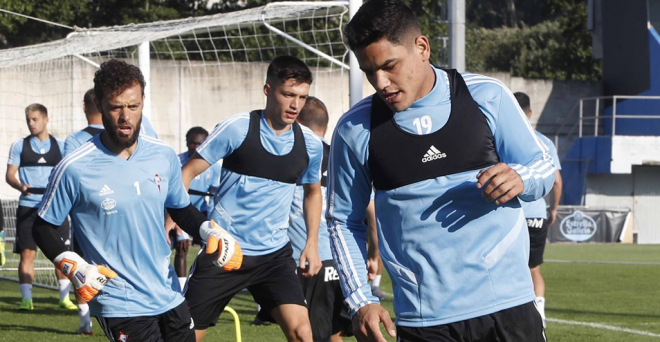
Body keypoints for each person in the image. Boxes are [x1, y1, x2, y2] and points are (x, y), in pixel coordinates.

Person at [326, 1, 556, 341]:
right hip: (424, 320)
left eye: (389, 65)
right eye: (369, 71)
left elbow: (544, 164)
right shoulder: (355, 129)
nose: (381, 82)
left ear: (422, 47)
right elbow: (343, 220)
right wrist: (360, 298)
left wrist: (522, 178)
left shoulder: (486, 96)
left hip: (509, 306)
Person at [32, 59, 243, 342]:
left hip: (168, 292)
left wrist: (210, 230)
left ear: (143, 101)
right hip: (120, 300)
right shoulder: (74, 166)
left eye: (133, 106)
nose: (125, 117)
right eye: (116, 107)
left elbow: (180, 208)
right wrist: (73, 265)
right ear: (99, 104)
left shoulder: (164, 155)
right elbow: (43, 226)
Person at [181, 55, 324, 342]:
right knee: (183, 337)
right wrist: (186, 221)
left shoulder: (310, 143)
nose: (296, 104)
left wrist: (311, 244)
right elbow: (185, 175)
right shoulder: (238, 128)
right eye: (288, 94)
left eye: (302, 97)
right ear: (268, 90)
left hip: (275, 256)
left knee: (303, 332)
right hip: (225, 251)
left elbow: (313, 192)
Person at [285, 96, 353, 341]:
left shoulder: (296, 155)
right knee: (334, 331)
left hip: (310, 261)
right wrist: (372, 254)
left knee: (308, 334)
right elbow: (369, 208)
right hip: (344, 260)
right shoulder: (342, 156)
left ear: (299, 122)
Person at [5, 103, 76, 311]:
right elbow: (10, 175)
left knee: (61, 252)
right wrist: (20, 185)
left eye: (35, 119)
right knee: (28, 253)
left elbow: (69, 173)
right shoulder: (19, 146)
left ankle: (64, 297)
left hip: (55, 207)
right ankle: (26, 299)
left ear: (46, 119)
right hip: (28, 205)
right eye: (28, 120)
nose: (31, 123)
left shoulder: (61, 146)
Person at [514, 91, 563, 328]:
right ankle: (540, 315)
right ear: (530, 112)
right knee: (535, 268)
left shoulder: (505, 138)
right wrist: (553, 209)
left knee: (511, 268)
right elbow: (557, 181)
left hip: (515, 214)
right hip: (538, 214)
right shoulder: (545, 142)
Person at [170, 126, 221, 290]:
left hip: (200, 211)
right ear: (186, 143)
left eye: (200, 144)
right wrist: (176, 221)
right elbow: (171, 196)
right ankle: (181, 287)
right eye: (192, 143)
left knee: (211, 246)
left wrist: (212, 223)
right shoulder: (176, 162)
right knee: (182, 245)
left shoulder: (213, 166)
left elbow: (214, 197)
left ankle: (205, 284)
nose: (196, 147)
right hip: (178, 211)